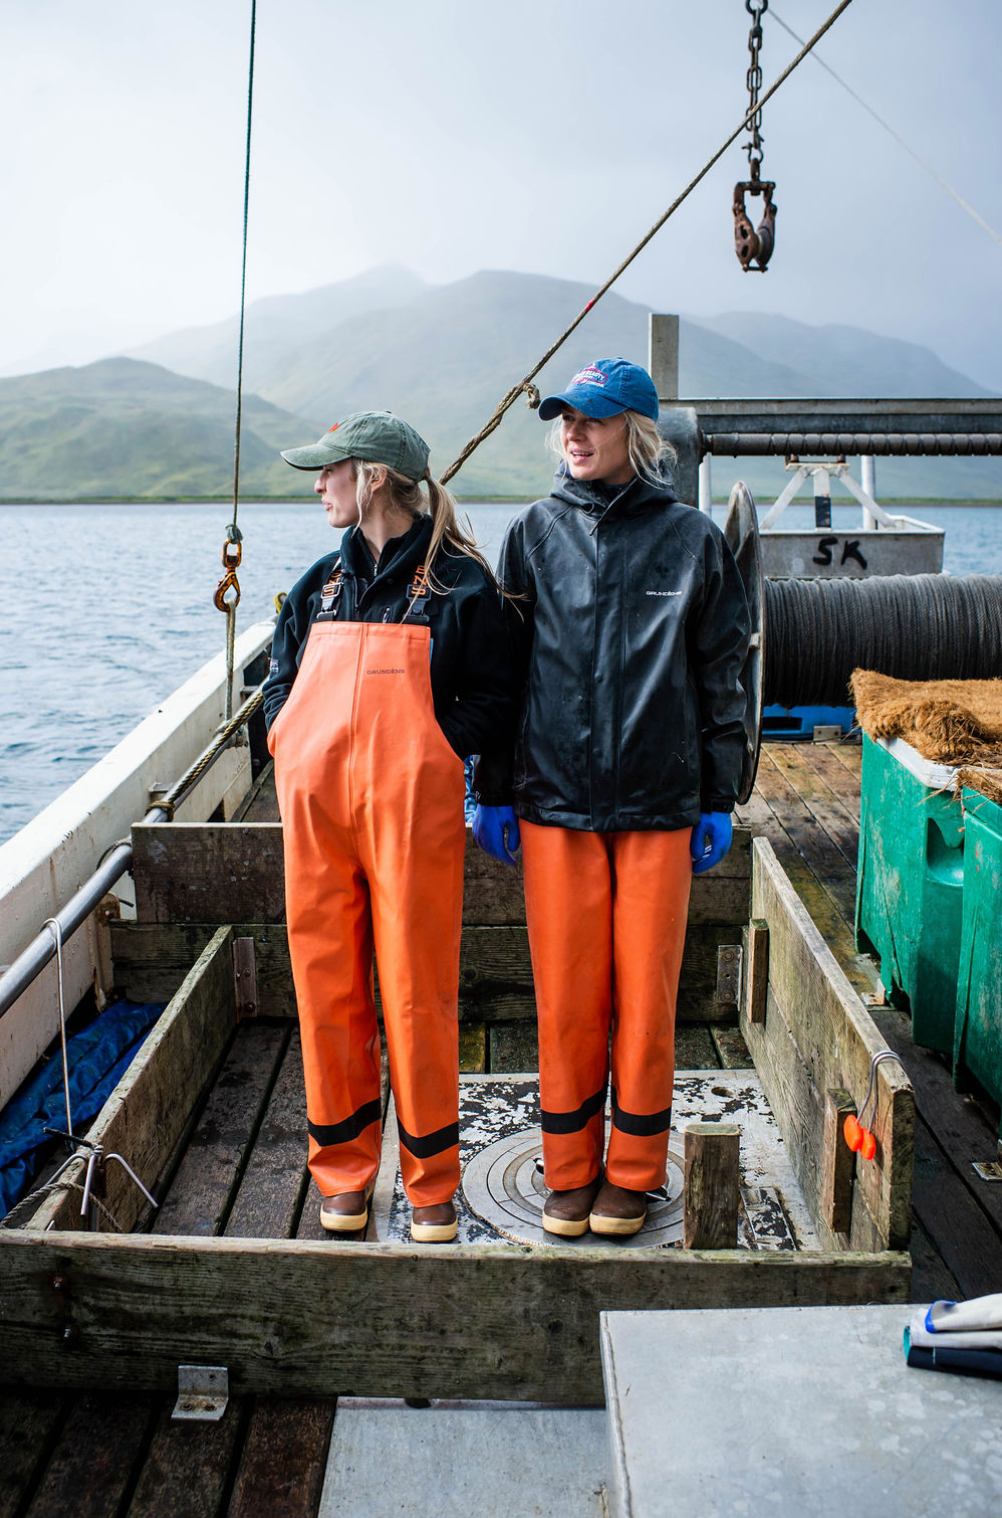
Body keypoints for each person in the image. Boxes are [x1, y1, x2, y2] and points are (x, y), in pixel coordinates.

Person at [473, 358, 750, 1238]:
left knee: (647, 994)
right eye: (564, 420)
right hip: (553, 804)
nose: (573, 434)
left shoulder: (694, 540)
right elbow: (502, 674)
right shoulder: (532, 535)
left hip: (661, 807)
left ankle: (630, 1173)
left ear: (638, 432)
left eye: (592, 420)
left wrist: (721, 793)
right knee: (565, 995)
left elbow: (723, 674)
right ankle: (567, 1172)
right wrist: (492, 788)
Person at [264, 411, 516, 1242]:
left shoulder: (462, 587)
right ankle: (342, 1174)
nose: (318, 484)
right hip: (319, 818)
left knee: (417, 995)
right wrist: (285, 735)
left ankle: (431, 1180)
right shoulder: (317, 588)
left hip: (412, 817)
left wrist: (440, 747)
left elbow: (494, 700)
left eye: (329, 470)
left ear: (372, 477)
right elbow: (277, 681)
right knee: (326, 989)